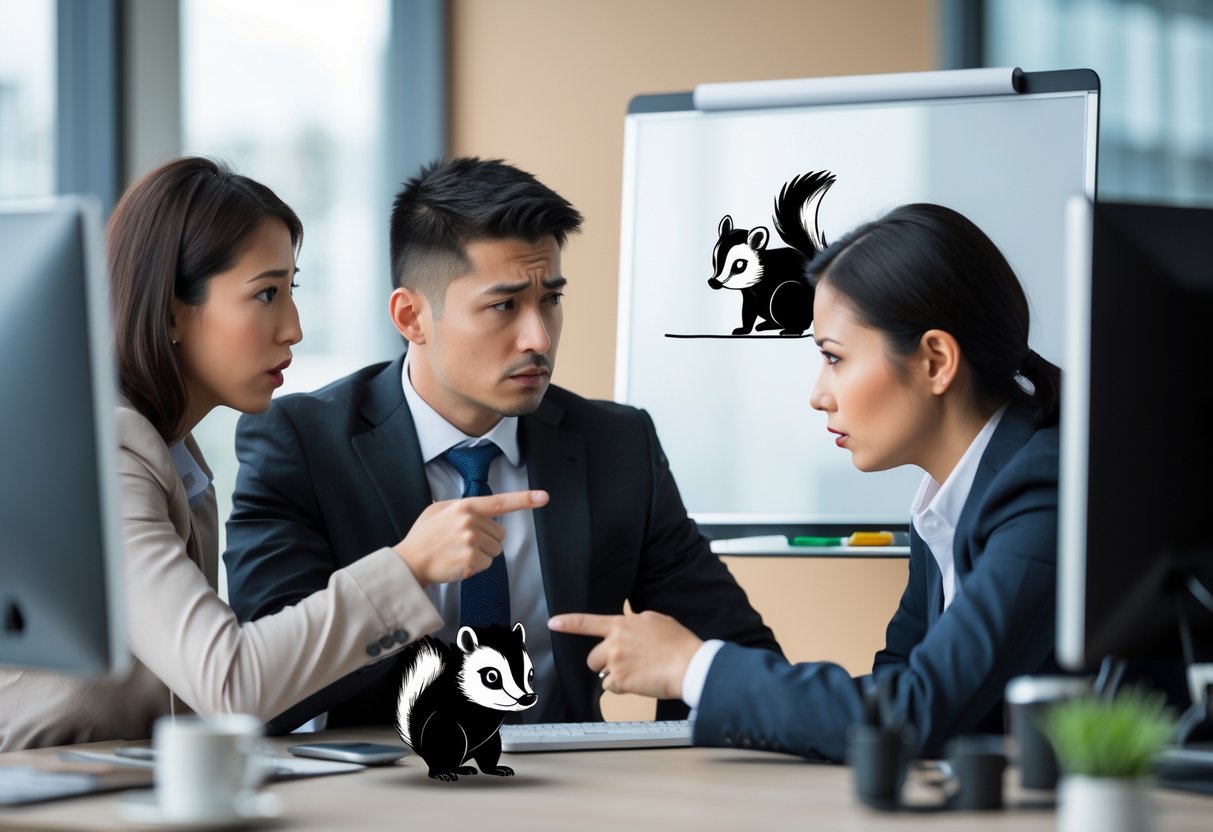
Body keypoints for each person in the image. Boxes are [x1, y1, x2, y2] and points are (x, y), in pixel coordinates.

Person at [224, 156, 780, 731]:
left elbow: (734, 654)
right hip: (381, 792)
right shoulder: (302, 443)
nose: (538, 337)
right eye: (503, 305)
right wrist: (405, 572)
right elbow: (266, 688)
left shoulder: (618, 445)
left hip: (569, 797)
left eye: (551, 300)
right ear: (412, 317)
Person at [0, 157, 527, 751]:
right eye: (266, 294)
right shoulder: (110, 457)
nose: (294, 328)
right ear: (172, 311)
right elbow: (230, 681)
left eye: (292, 289)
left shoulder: (173, 454)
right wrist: (409, 567)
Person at [550, 203, 1064, 761]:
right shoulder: (943, 505)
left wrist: (692, 667)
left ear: (936, 361)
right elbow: (894, 689)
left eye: (834, 358)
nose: (818, 394)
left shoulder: (1042, 488)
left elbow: (915, 712)